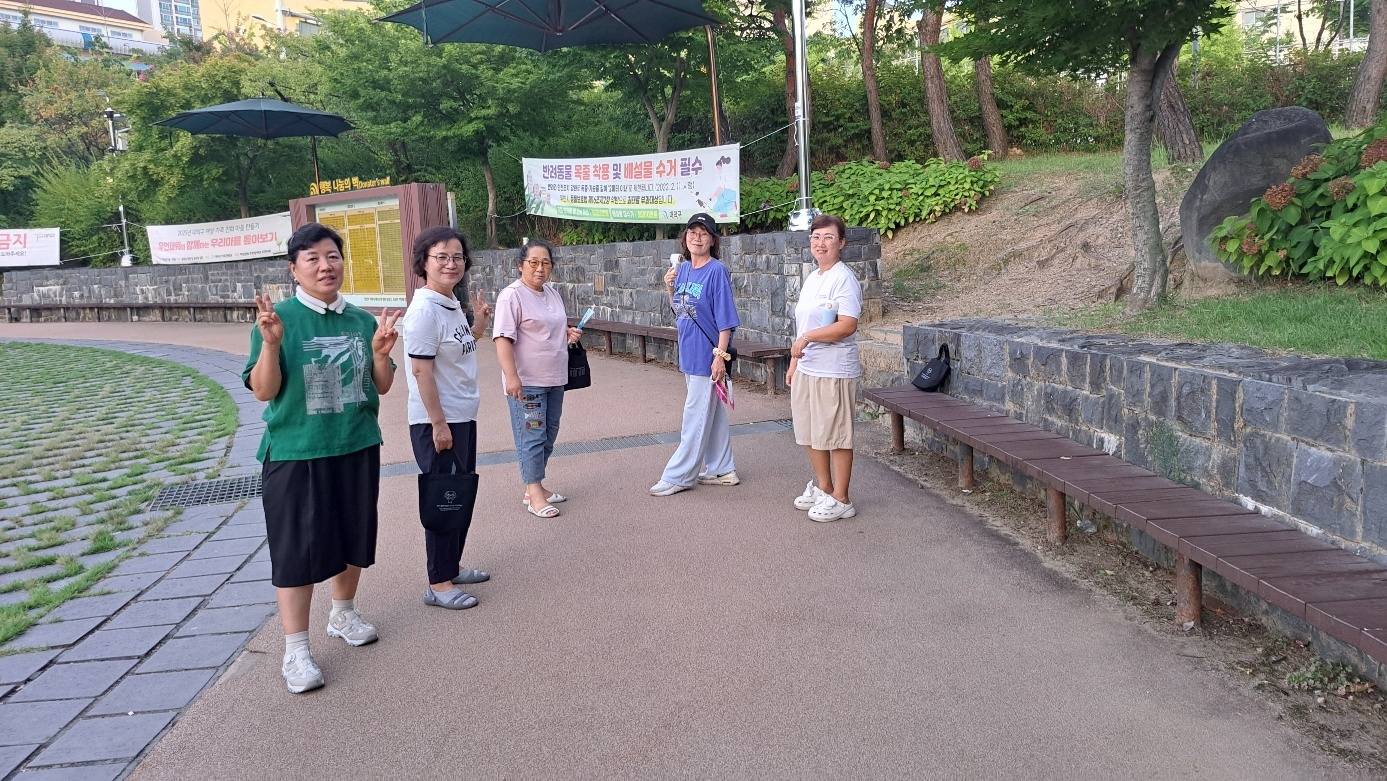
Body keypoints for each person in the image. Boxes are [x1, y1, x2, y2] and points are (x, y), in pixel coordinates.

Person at [244, 222, 398, 694]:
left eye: (332, 256)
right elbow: (263, 391)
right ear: (294, 269)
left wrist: (380, 354)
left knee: (353, 536)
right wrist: (271, 345)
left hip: (355, 443)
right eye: (311, 258)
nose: (325, 266)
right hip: (296, 451)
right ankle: (295, 649)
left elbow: (382, 385)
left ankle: (343, 614)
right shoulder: (278, 319)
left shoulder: (362, 320)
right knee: (295, 551)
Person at [402, 226, 494, 611]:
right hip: (439, 420)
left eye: (457, 257)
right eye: (441, 257)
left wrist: (478, 328)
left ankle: (450, 567)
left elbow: (454, 350)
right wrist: (438, 424)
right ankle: (438, 583)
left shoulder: (450, 303)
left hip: (460, 415)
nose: (451, 263)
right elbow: (421, 371)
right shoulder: (424, 310)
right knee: (444, 498)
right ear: (424, 263)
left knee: (459, 494)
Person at [649, 213, 741, 496]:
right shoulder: (684, 269)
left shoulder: (716, 271)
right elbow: (680, 311)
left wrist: (719, 357)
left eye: (703, 233)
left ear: (712, 240)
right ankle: (722, 469)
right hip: (688, 351)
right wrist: (669, 288)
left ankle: (679, 475)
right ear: (685, 237)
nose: (697, 238)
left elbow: (726, 320)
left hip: (707, 354)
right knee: (710, 414)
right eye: (692, 232)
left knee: (695, 416)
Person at [492, 238, 582, 518]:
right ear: (521, 265)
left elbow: (549, 328)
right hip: (527, 381)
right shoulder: (512, 296)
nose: (540, 268)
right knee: (531, 435)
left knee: (548, 434)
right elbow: (502, 339)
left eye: (546, 263)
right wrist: (511, 377)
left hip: (555, 378)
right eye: (533, 262)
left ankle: (535, 486)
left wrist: (567, 334)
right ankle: (534, 494)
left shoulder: (552, 293)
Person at [786, 214, 863, 521]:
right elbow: (804, 325)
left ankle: (842, 498)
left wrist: (807, 339)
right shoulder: (813, 277)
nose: (821, 243)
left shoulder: (843, 278)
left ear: (841, 243)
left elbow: (847, 325)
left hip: (834, 368)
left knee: (836, 434)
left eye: (829, 237)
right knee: (809, 431)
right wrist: (794, 362)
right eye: (816, 237)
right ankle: (825, 488)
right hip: (808, 366)